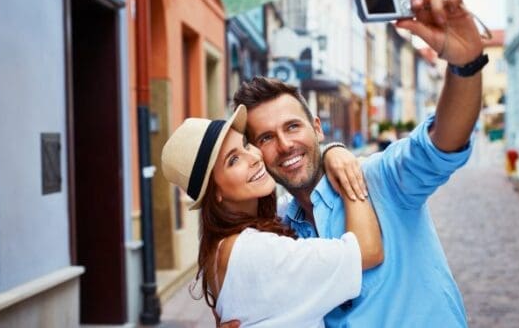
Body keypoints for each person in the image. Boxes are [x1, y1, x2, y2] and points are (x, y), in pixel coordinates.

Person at [224, 0, 486, 327]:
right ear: (256, 152)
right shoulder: (283, 234)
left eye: (292, 127)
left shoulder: (381, 180)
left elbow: (440, 145)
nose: (286, 145)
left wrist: (465, 66)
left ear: (317, 129)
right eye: (267, 137)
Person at [161, 105, 384, 327]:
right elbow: (367, 251)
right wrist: (345, 167)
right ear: (215, 191)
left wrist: (328, 151)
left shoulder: (221, 247)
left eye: (246, 145)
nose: (254, 157)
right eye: (233, 160)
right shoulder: (255, 252)